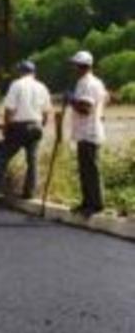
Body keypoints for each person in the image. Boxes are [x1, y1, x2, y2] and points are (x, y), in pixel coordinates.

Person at [0, 60, 52, 198]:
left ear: (21, 72)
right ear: (34, 73)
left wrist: (6, 127)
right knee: (32, 161)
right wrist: (40, 126)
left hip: (19, 127)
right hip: (36, 125)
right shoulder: (42, 87)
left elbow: (9, 109)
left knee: (3, 157)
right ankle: (30, 192)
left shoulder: (17, 85)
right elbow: (46, 112)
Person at [68, 51, 109, 217]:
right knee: (85, 169)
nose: (73, 68)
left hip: (89, 132)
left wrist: (70, 100)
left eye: (75, 65)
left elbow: (85, 109)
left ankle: (96, 204)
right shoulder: (91, 82)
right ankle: (87, 202)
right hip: (86, 131)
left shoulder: (88, 83)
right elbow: (106, 98)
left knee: (91, 169)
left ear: (81, 66)